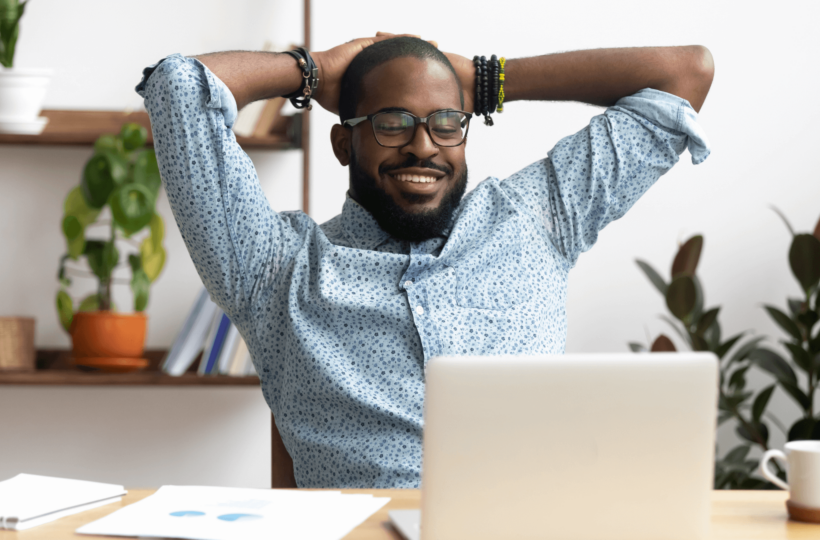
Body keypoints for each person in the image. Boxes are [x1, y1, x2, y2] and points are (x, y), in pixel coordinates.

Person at [135, 33, 714, 488]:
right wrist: (314, 73)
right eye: (391, 123)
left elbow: (684, 73)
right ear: (343, 144)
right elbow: (179, 88)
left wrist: (483, 80)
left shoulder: (536, 218)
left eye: (445, 123)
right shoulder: (272, 269)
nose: (423, 145)